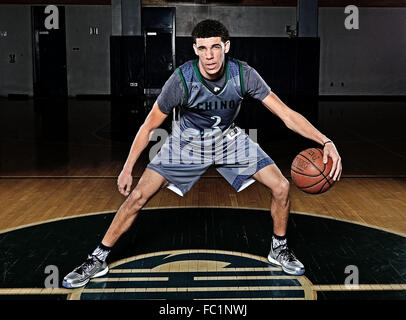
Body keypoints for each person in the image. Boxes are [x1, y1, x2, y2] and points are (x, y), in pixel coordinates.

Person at [62, 19, 342, 288]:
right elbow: (149, 125)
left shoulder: (243, 74)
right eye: (203, 48)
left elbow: (286, 114)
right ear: (195, 49)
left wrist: (325, 140)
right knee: (137, 196)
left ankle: (278, 249)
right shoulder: (182, 79)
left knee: (281, 186)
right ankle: (96, 259)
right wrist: (127, 168)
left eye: (215, 47)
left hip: (228, 140)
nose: (209, 55)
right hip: (186, 144)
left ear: (227, 47)